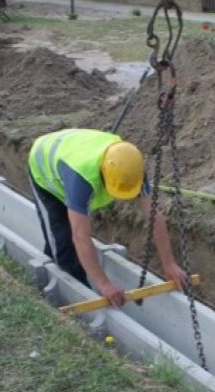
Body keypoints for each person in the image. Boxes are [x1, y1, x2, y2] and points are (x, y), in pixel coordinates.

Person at [28, 128, 189, 308]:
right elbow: (80, 236)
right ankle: (68, 299)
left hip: (75, 148)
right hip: (44, 165)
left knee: (73, 231)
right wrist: (104, 284)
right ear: (104, 176)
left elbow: (153, 215)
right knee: (62, 243)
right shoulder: (82, 180)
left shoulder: (131, 166)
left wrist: (170, 264)